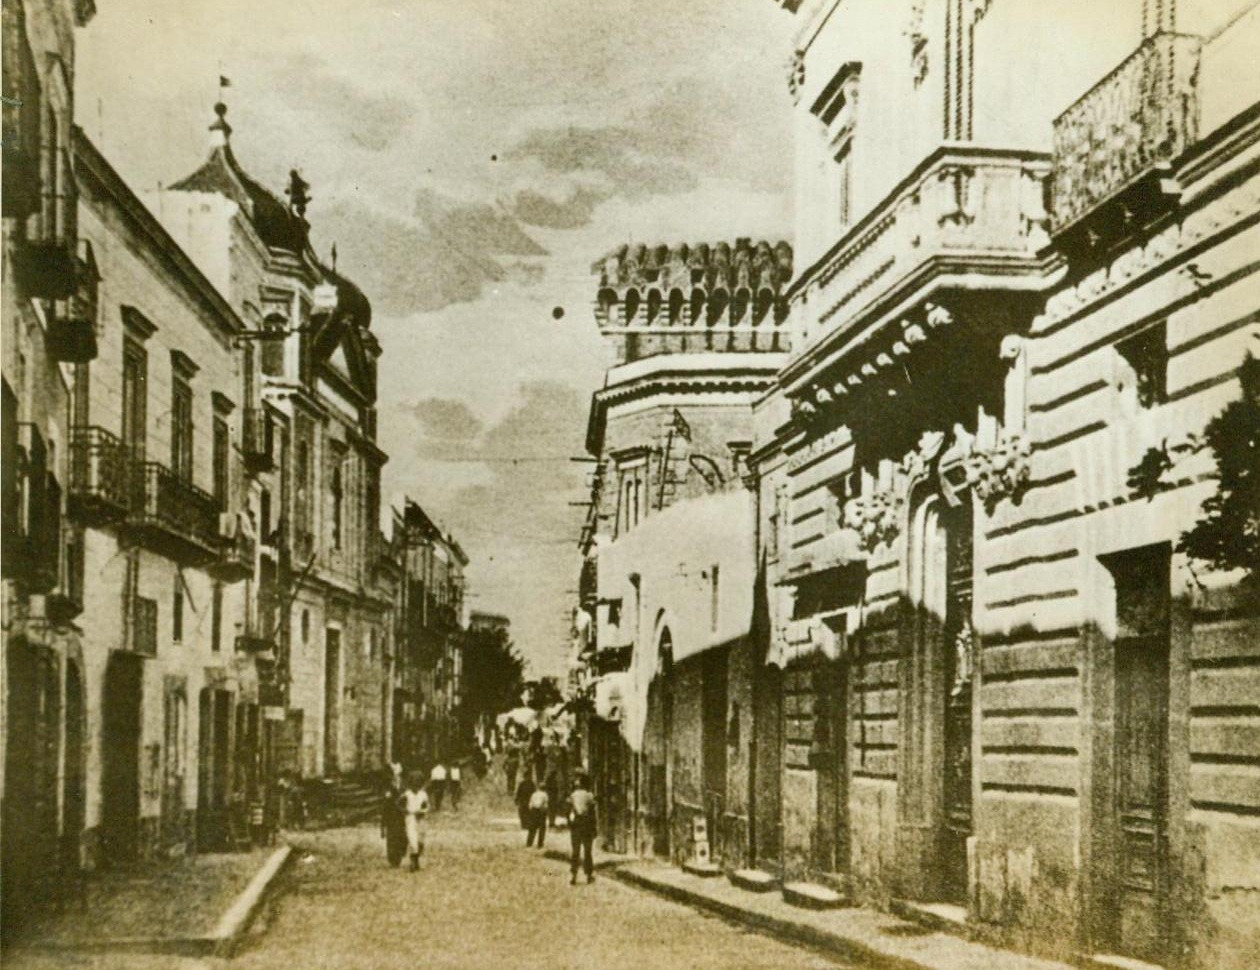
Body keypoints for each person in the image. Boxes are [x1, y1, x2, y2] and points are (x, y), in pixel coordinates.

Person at [567, 772, 597, 885]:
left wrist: (570, 823)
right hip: (587, 823)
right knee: (587, 850)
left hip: (576, 823)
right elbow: (592, 812)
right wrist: (594, 827)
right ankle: (588, 875)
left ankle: (573, 875)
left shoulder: (573, 795)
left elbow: (568, 810)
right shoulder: (589, 796)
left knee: (575, 850)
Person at [402, 771, 430, 871]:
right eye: (414, 782)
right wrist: (405, 810)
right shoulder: (407, 794)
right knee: (412, 839)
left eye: (418, 782)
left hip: (421, 818)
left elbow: (426, 806)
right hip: (410, 818)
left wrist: (423, 811)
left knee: (420, 840)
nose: (416, 784)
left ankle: (417, 859)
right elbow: (399, 804)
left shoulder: (423, 794)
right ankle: (412, 861)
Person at [380, 762, 406, 868]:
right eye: (395, 773)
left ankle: (400, 853)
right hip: (391, 813)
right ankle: (393, 859)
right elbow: (385, 800)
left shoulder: (403, 783)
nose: (396, 775)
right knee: (391, 837)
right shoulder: (388, 784)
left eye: (398, 773)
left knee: (402, 836)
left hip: (401, 814)